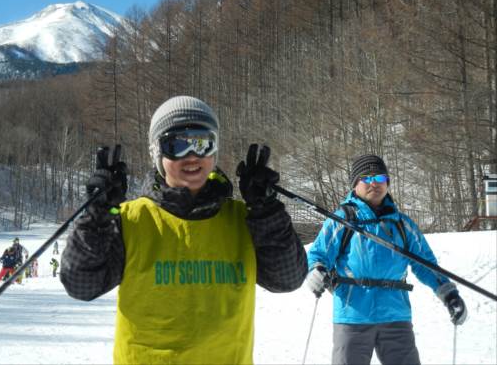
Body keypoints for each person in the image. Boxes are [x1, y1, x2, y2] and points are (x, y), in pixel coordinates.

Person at [60, 95, 307, 364]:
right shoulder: (132, 219)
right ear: (157, 152)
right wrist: (97, 215)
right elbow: (81, 284)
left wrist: (266, 209)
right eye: (176, 145)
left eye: (202, 143)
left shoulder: (246, 219)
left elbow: (287, 279)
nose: (191, 156)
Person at [306, 154, 468, 365]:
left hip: (395, 316)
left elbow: (426, 264)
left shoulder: (402, 224)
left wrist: (449, 294)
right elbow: (319, 254)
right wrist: (316, 270)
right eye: (367, 178)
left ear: (388, 184)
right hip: (353, 316)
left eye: (380, 178)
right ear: (355, 184)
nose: (375, 183)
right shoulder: (341, 220)